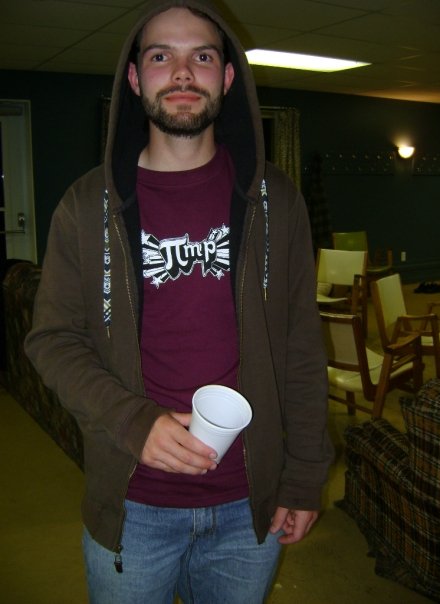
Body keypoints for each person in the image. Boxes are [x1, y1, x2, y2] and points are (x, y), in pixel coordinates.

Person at [25, 1, 333, 602]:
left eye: (203, 57)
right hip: (134, 503)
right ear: (135, 77)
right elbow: (52, 340)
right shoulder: (85, 206)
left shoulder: (276, 200)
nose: (184, 73)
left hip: (249, 504)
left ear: (227, 77)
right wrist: (132, 421)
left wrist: (303, 475)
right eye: (162, 56)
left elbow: (300, 346)